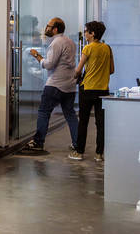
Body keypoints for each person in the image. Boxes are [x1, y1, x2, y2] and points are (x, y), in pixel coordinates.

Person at [24, 17, 78, 152]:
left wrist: (37, 56)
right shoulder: (70, 42)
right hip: (69, 85)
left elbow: (49, 64)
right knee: (70, 115)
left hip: (55, 84)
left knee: (43, 112)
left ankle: (38, 142)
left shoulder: (57, 43)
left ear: (55, 29)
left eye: (48, 26)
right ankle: (78, 143)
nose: (45, 28)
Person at [69, 21, 114, 162]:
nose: (85, 34)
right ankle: (99, 154)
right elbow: (112, 70)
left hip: (87, 89)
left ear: (92, 33)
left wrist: (76, 76)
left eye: (86, 31)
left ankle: (79, 152)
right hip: (103, 90)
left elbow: (78, 69)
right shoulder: (107, 48)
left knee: (84, 122)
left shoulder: (88, 48)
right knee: (101, 124)